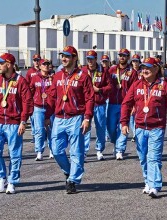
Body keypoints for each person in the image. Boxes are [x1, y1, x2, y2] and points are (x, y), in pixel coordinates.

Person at [120, 57, 167, 198]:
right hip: (139, 127)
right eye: (143, 67)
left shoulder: (164, 85)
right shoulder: (136, 85)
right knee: (143, 158)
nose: (144, 70)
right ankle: (148, 181)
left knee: (153, 158)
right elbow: (126, 104)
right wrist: (124, 123)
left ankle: (155, 185)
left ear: (156, 69)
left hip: (156, 128)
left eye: (148, 67)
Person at [48, 46, 94, 194]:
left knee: (76, 151)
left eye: (67, 56)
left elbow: (90, 98)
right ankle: (69, 172)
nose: (64, 58)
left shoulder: (83, 76)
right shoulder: (57, 76)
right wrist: (46, 116)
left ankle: (73, 180)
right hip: (59, 118)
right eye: (63, 56)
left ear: (75, 58)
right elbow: (52, 97)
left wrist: (87, 118)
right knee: (55, 149)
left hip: (76, 117)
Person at [0, 53, 33, 194]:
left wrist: (23, 121)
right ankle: (1, 177)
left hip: (14, 123)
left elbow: (27, 102)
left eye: (1, 63)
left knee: (15, 154)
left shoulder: (21, 81)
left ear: (9, 64)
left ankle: (12, 181)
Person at [107, 48, 137, 160]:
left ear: (128, 57)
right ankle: (115, 142)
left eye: (124, 55)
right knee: (110, 127)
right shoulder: (112, 70)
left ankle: (120, 149)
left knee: (123, 126)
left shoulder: (132, 72)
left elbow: (134, 89)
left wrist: (133, 105)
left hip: (126, 104)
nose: (122, 57)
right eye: (120, 55)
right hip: (112, 102)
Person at [82, 50, 112, 160]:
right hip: (86, 104)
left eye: (92, 59)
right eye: (88, 59)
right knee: (86, 127)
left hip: (99, 103)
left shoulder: (103, 71)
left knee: (100, 127)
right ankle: (84, 150)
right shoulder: (83, 71)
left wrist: (99, 89)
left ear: (96, 59)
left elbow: (110, 87)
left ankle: (99, 150)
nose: (90, 61)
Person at [29, 59, 54, 161]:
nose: (46, 66)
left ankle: (52, 150)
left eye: (48, 64)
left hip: (50, 107)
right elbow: (30, 91)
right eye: (44, 64)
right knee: (39, 130)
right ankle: (39, 151)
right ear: (39, 66)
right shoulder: (35, 78)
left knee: (51, 130)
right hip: (38, 107)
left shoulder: (52, 78)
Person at [26, 54, 41, 143]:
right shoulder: (30, 72)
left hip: (41, 98)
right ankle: (34, 135)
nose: (36, 62)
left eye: (38, 60)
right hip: (32, 98)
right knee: (32, 119)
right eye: (35, 60)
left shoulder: (43, 69)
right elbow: (27, 85)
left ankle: (40, 135)